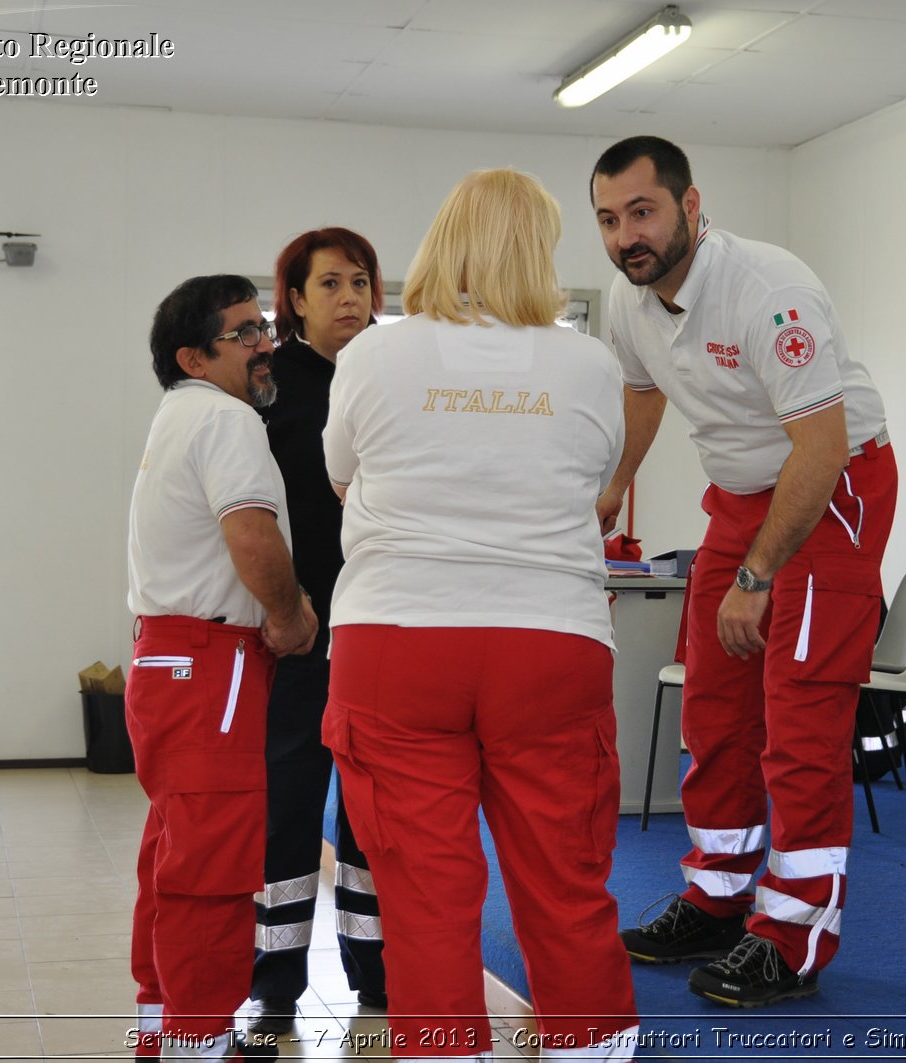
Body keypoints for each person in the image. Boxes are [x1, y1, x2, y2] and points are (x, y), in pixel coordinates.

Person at [321, 168, 639, 1059]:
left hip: (396, 641)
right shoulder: (589, 360)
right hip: (549, 639)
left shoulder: (373, 354)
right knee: (566, 879)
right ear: (538, 250)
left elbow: (342, 476)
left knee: (423, 894)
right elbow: (593, 483)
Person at [590, 136, 898, 1008]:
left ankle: (797, 932)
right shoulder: (629, 298)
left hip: (830, 489)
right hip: (742, 496)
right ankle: (718, 896)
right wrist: (615, 486)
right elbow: (644, 391)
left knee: (799, 712)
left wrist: (756, 579)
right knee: (714, 705)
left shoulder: (768, 289)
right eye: (609, 220)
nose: (626, 237)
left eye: (642, 212)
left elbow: (823, 446)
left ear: (692, 207)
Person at [126, 274, 317, 1060]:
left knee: (173, 856)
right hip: (211, 662)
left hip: (169, 657)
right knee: (211, 867)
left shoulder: (179, 416)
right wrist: (291, 614)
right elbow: (252, 537)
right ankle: (199, 1046)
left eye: (262, 326)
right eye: (243, 334)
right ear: (193, 356)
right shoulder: (226, 420)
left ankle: (162, 1031)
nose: (265, 343)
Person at [245, 229, 387, 1035]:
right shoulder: (273, 387)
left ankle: (376, 972)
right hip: (298, 637)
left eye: (361, 282)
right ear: (294, 300)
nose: (349, 298)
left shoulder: (395, 377)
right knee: (289, 808)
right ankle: (274, 983)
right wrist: (280, 610)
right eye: (329, 283)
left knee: (371, 813)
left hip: (379, 636)